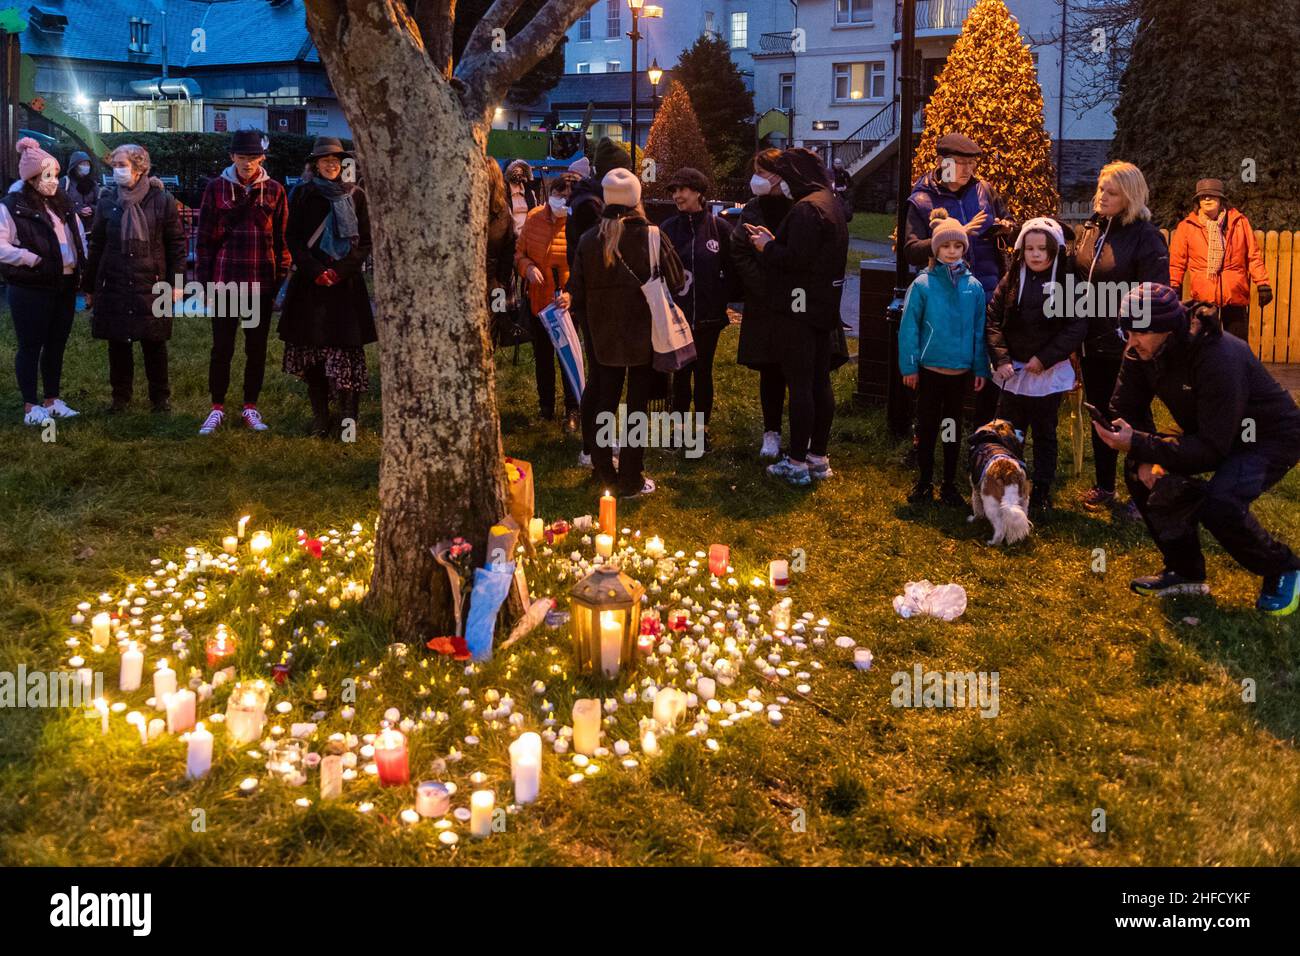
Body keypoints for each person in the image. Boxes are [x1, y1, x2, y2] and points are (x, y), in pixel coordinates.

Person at [1095, 284, 1300, 616]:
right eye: (1127, 331)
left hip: (1267, 436)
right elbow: (1125, 407)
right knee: (1137, 471)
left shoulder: (1218, 356)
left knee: (1221, 502)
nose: (1130, 341)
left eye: (1139, 332)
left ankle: (1283, 566)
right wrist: (1145, 455)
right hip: (1211, 428)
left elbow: (1212, 449)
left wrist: (1143, 444)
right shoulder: (1141, 350)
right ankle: (1184, 570)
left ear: (1165, 328)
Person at [568, 167, 685, 498]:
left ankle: (605, 472)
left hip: (603, 334)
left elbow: (576, 289)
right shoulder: (651, 234)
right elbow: (676, 280)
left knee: (604, 401)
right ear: (636, 198)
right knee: (637, 406)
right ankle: (631, 477)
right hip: (645, 334)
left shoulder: (591, 240)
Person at [745, 147, 849, 487]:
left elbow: (794, 260)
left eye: (787, 176)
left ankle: (796, 461)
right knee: (820, 381)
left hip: (798, 307)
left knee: (801, 385)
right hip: (822, 305)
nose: (784, 183)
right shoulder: (830, 203)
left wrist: (767, 246)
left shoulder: (806, 209)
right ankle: (819, 456)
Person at [1073, 160, 1169, 514]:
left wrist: (1136, 335)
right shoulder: (1092, 229)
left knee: (1134, 418)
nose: (1102, 196)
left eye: (1111, 192)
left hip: (1128, 347)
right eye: (1100, 189)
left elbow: (1157, 292)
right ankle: (1105, 486)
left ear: (1130, 196)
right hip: (1091, 343)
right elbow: (1078, 279)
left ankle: (1147, 493)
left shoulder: (1146, 236)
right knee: (1101, 414)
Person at [903, 132, 1013, 424]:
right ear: (941, 161)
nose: (967, 169)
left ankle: (984, 435)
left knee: (987, 370)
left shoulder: (984, 190)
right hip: (944, 297)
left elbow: (1008, 219)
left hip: (987, 292)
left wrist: (1004, 227)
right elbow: (911, 250)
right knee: (939, 374)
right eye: (960, 163)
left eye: (971, 163)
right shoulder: (922, 199)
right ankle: (925, 437)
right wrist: (956, 233)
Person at [984, 217, 1087, 516]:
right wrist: (1001, 358)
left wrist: (1045, 358)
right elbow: (993, 320)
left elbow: (1076, 327)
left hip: (1046, 372)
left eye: (1043, 249)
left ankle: (1041, 489)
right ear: (1021, 250)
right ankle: (1005, 486)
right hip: (1013, 373)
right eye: (1030, 248)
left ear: (1054, 251)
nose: (1036, 254)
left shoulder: (1068, 283)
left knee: (1044, 433)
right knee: (1007, 432)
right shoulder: (1013, 278)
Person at [277, 136, 376, 439]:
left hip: (345, 288)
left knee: (348, 355)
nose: (331, 165)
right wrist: (317, 270)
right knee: (313, 355)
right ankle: (321, 418)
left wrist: (340, 271)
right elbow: (292, 237)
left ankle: (348, 420)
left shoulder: (356, 195)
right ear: (315, 164)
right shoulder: (303, 194)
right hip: (312, 287)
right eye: (325, 160)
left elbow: (366, 241)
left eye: (336, 160)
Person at [195, 129, 291, 434]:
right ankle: (217, 407)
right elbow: (204, 239)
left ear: (261, 157)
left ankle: (251, 406)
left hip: (260, 280)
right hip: (225, 279)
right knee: (221, 347)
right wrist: (204, 283)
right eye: (241, 157)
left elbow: (282, 238)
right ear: (231, 157)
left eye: (252, 157)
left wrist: (279, 279)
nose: (247, 163)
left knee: (256, 348)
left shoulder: (275, 190)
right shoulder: (216, 189)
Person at [83, 144, 186, 414]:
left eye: (121, 165)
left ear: (139, 167)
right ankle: (120, 398)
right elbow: (97, 245)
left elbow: (175, 243)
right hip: (114, 280)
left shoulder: (161, 200)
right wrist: (90, 286)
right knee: (118, 343)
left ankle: (160, 398)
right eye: (114, 165)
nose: (116, 170)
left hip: (151, 283)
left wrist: (176, 283)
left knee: (154, 343)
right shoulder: (107, 200)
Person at [898, 209, 988, 505]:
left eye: (958, 246)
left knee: (951, 429)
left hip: (959, 373)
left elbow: (978, 330)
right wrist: (909, 365)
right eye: (946, 246)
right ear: (936, 249)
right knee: (926, 427)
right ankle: (924, 481)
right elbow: (909, 327)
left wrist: (979, 368)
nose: (952, 252)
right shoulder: (923, 286)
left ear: (964, 248)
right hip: (930, 370)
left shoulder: (973, 288)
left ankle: (949, 484)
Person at [1, 138, 86, 425]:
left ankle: (52, 399)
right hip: (31, 286)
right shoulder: (12, 206)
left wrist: (81, 269)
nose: (53, 181)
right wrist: (28, 258)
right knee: (30, 344)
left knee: (56, 344)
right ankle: (30, 405)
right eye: (47, 176)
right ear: (32, 178)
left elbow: (77, 238)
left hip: (63, 284)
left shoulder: (62, 205)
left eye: (56, 175)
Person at [568, 138, 634, 468]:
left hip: (594, 299)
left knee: (600, 377)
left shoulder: (587, 199)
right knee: (603, 379)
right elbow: (600, 252)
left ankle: (595, 442)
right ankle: (593, 447)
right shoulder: (592, 206)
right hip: (598, 302)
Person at [661, 166, 733, 451]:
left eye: (683, 190)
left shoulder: (720, 228)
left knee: (703, 373)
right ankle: (678, 431)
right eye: (674, 191)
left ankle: (701, 431)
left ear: (699, 193)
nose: (677, 196)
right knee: (680, 374)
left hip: (708, 317)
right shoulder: (667, 229)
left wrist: (719, 299)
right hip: (676, 317)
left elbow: (732, 270)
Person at [733, 148, 794, 459]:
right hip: (764, 301)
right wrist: (761, 284)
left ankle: (801, 436)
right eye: (754, 171)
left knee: (795, 368)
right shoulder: (753, 209)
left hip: (795, 301)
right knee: (770, 369)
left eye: (763, 172)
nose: (757, 179)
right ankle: (771, 432)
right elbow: (739, 251)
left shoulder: (799, 207)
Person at [1168, 178, 1271, 343]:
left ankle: (1236, 370)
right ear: (1198, 202)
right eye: (1203, 197)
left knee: (1238, 346)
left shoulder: (1239, 222)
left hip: (1234, 292)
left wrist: (1263, 283)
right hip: (1203, 294)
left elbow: (1253, 255)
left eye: (1212, 196)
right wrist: (1174, 285)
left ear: (1221, 199)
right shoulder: (1187, 226)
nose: (1207, 199)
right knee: (1203, 347)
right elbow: (1177, 261)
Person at [516, 176, 577, 429]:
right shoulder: (534, 218)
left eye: (567, 196)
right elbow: (519, 253)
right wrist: (527, 267)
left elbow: (582, 266)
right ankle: (546, 408)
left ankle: (572, 410)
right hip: (538, 302)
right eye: (558, 193)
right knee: (542, 357)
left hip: (563, 305)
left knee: (567, 359)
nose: (561, 199)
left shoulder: (576, 223)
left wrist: (571, 294)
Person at [62, 150, 100, 233]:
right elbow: (59, 204)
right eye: (82, 164)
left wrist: (92, 209)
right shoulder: (65, 182)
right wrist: (78, 210)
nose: (86, 167)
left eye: (87, 164)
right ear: (75, 166)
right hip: (72, 229)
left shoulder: (93, 183)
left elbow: (100, 204)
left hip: (91, 228)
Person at [504, 159, 539, 234]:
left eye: (520, 171)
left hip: (528, 234)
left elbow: (534, 213)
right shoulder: (503, 194)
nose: (518, 174)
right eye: (515, 171)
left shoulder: (530, 193)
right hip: (510, 236)